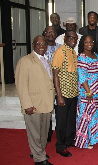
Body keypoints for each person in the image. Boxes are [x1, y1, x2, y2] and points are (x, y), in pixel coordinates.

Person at [15, 35, 54, 165]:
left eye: (44, 44)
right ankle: (39, 159)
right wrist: (27, 104)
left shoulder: (47, 60)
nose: (42, 47)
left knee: (44, 133)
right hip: (33, 104)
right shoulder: (25, 61)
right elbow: (21, 85)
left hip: (46, 103)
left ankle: (38, 151)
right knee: (35, 133)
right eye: (39, 44)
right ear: (33, 45)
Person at [74, 35, 98, 149]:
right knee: (86, 115)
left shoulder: (95, 55)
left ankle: (94, 137)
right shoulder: (82, 57)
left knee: (94, 115)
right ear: (82, 43)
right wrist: (88, 92)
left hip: (97, 92)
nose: (89, 44)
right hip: (87, 92)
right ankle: (85, 140)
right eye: (86, 42)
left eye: (91, 41)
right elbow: (82, 77)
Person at [52, 30, 79, 157]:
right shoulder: (60, 52)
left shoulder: (73, 52)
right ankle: (60, 146)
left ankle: (69, 141)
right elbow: (55, 74)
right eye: (70, 37)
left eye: (75, 38)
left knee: (70, 120)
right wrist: (59, 95)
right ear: (65, 38)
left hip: (73, 92)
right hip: (63, 93)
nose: (73, 40)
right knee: (61, 121)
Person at [42, 26, 61, 143]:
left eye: (52, 32)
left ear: (56, 34)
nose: (50, 34)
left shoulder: (60, 48)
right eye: (48, 32)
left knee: (59, 111)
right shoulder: (40, 48)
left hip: (59, 84)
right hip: (45, 85)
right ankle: (47, 133)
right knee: (46, 111)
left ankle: (59, 133)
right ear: (45, 34)